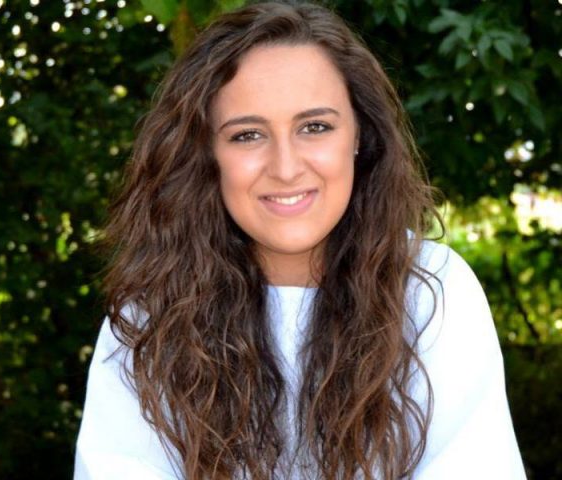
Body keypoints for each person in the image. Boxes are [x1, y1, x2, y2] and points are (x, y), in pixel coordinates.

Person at [74, 2, 525, 479]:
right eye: (247, 135)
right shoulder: (150, 311)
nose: (286, 168)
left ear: (359, 135)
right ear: (206, 152)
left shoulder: (432, 289)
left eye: (315, 127)